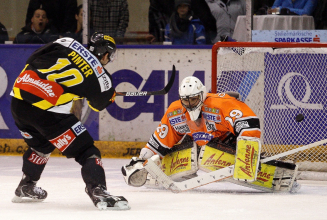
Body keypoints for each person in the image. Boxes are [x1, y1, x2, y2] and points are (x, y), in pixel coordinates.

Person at [10, 32, 130, 210]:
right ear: (106, 55)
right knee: (87, 151)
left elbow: (33, 57)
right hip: (46, 111)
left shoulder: (67, 42)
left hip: (18, 100)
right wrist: (109, 97)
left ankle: (26, 186)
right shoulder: (102, 78)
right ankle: (98, 190)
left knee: (41, 145)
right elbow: (97, 106)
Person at [121, 76, 301, 193]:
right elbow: (159, 142)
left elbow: (250, 124)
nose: (190, 104)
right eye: (186, 99)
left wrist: (247, 155)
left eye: (194, 99)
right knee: (192, 152)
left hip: (226, 145)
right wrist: (141, 159)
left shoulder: (220, 103)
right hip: (196, 150)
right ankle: (158, 170)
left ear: (202, 95)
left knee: (206, 153)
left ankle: (275, 172)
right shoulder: (175, 111)